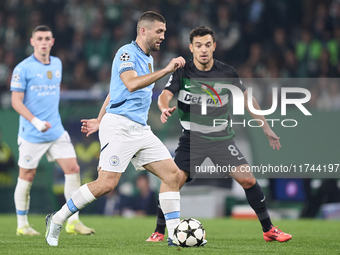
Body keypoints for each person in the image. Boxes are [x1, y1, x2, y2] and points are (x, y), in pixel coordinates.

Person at [45, 11, 185, 247]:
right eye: (159, 31)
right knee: (106, 184)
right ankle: (57, 219)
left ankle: (175, 237)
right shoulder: (126, 53)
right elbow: (129, 84)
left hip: (140, 129)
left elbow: (114, 90)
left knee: (173, 175)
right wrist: (166, 70)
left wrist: (99, 119)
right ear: (144, 31)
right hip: (120, 126)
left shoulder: (147, 58)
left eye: (164, 31)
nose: (163, 36)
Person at [146, 26, 292, 243]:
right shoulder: (182, 72)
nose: (203, 50)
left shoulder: (227, 73)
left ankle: (269, 230)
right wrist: (164, 106)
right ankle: (159, 231)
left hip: (221, 140)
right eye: (198, 45)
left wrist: (265, 126)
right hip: (191, 140)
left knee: (248, 180)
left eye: (207, 45)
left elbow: (247, 99)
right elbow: (164, 95)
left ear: (214, 46)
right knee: (172, 181)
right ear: (191, 48)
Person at [10, 25, 94, 236]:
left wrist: (47, 122)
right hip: (32, 132)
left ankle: (73, 221)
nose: (43, 42)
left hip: (56, 130)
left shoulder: (57, 63)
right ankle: (22, 225)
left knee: (73, 169)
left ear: (53, 41)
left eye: (47, 38)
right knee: (26, 177)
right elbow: (15, 102)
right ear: (32, 42)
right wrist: (36, 121)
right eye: (39, 38)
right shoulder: (22, 68)